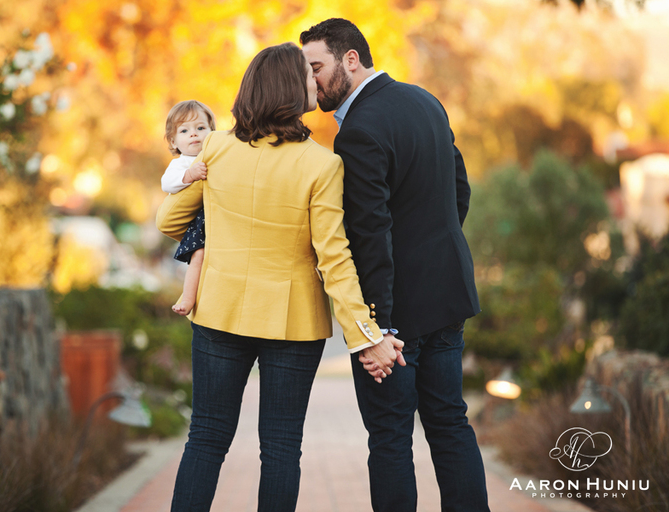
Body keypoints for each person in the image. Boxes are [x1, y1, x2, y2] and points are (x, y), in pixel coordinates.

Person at [156, 42, 403, 512]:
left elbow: (168, 224)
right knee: (282, 448)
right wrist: (366, 336)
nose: (315, 82)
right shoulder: (322, 165)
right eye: (307, 77)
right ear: (292, 90)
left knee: (206, 438)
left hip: (220, 312)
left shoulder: (216, 150)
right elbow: (335, 259)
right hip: (292, 324)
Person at [301, 18, 491, 512]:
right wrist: (435, 251)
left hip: (396, 319)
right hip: (448, 295)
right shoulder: (425, 101)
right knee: (450, 423)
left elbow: (370, 235)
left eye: (316, 66)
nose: (311, 80)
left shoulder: (359, 131)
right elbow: (459, 192)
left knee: (390, 438)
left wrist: (375, 329)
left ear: (349, 59)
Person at [161, 100, 216, 315]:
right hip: (199, 221)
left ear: (212, 132)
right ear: (174, 142)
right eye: (185, 131)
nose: (194, 134)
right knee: (199, 255)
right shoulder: (181, 163)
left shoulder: (216, 155)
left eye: (201, 128)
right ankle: (188, 299)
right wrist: (190, 175)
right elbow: (167, 183)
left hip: (218, 214)